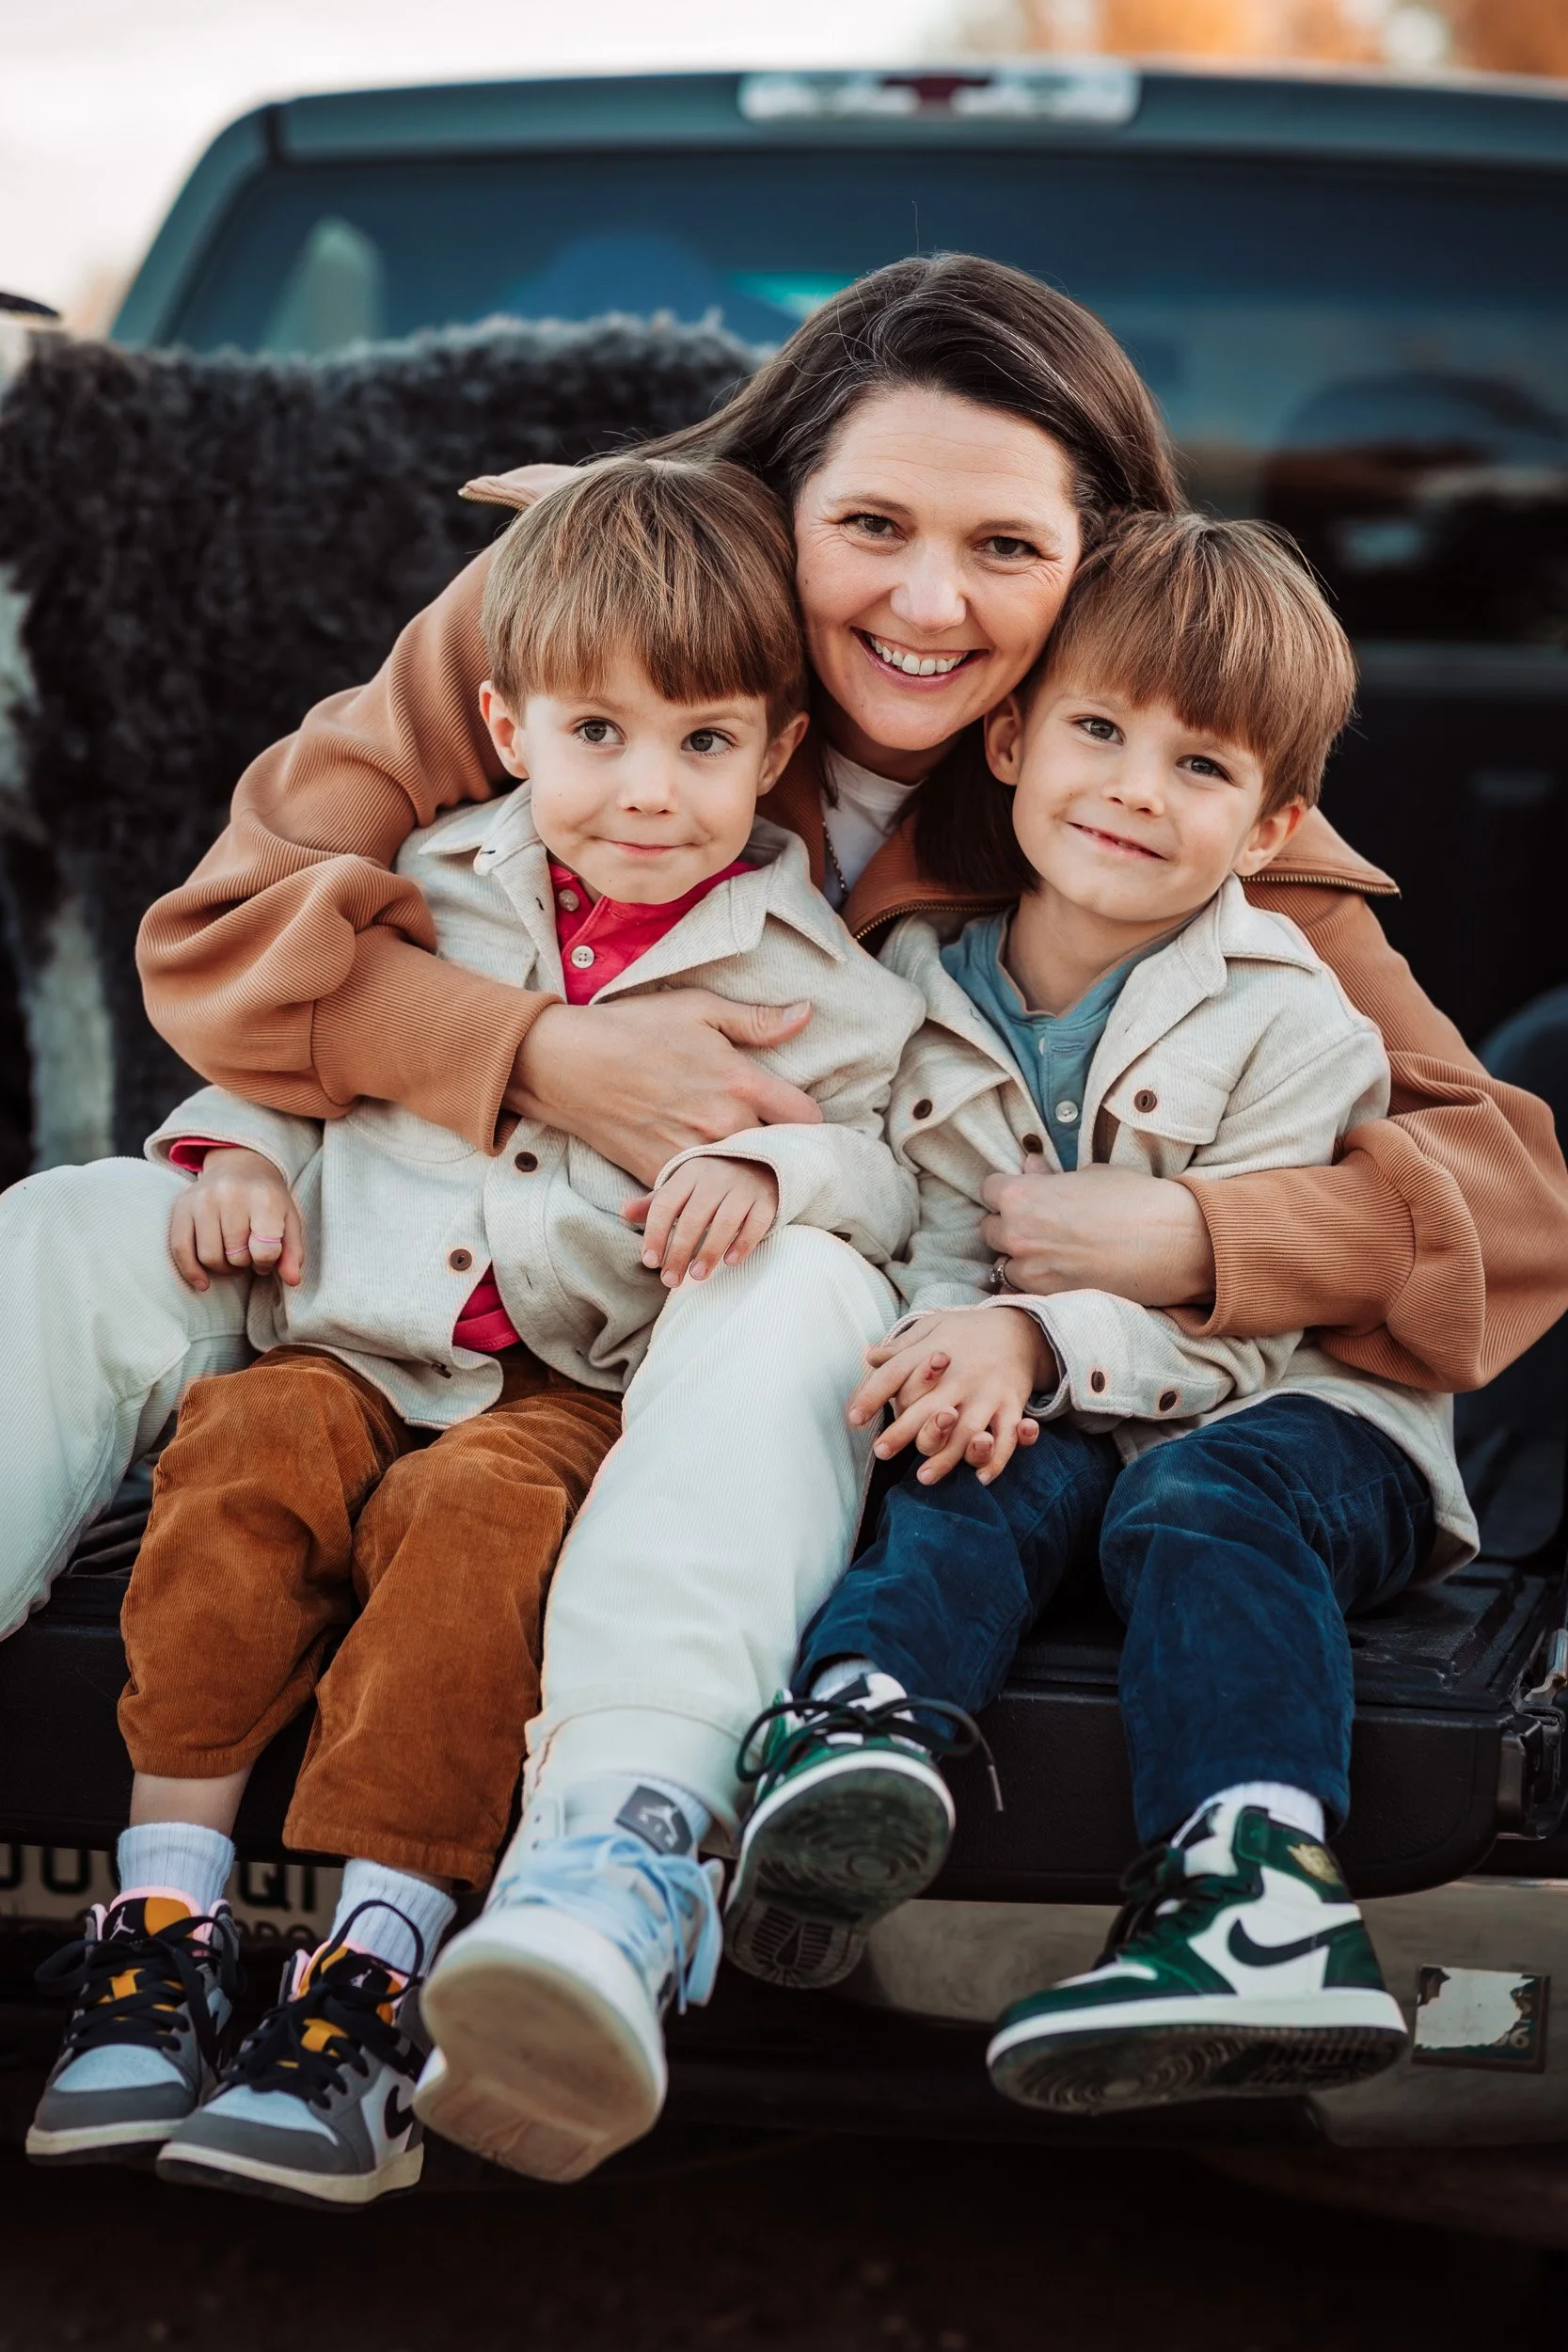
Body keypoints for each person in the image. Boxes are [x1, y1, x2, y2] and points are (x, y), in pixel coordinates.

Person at [2, 253, 1562, 2169]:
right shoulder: (586, 615)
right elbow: (227, 933)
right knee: (77, 1217)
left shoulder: (1135, 779)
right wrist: (535, 1053)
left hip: (730, 1330)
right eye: (872, 527)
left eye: (1003, 545)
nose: (927, 599)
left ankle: (614, 1856)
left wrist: (1200, 1244)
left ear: (1098, 567)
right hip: (423, 1245)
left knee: (811, 1272)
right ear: (773, 509)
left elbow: (1500, 1200)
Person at [24, 456, 922, 2207]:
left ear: (777, 751)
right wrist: (231, 1154)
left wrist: (771, 1163)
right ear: (507, 723)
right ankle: (159, 1924)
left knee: (477, 1533)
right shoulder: (422, 885)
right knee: (239, 1455)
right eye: (598, 735)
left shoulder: (807, 965)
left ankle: (368, 1973)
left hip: (566, 1383)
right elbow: (290, 1045)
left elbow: (888, 1172)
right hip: (354, 1335)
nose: (649, 794)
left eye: (704, 744)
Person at [727, 513, 1478, 2117]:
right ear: (1006, 739)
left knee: (1194, 1507)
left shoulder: (1293, 1018)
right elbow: (934, 1249)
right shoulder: (916, 995)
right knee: (957, 1465)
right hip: (1070, 1408)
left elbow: (1254, 1330)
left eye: (1200, 768)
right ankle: (861, 1747)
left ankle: (1256, 1898)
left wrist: (1038, 1341)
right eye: (1097, 729)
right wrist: (957, 1358)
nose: (1136, 787)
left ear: (1272, 821)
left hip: (1301, 1431)